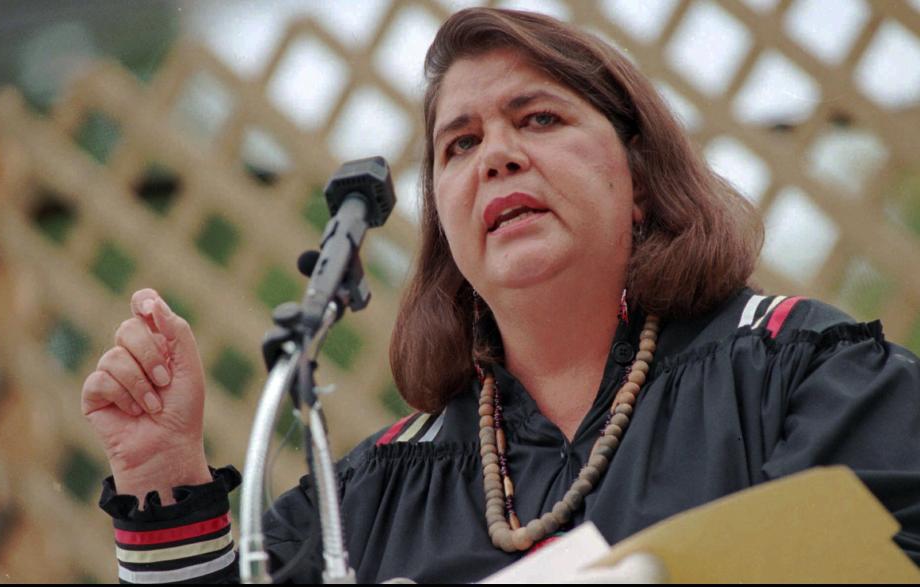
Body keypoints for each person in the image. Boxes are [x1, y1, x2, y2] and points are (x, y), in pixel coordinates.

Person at [81, 7, 920, 583]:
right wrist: (160, 474)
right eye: (461, 143)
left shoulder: (795, 375)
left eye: (540, 119)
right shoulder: (373, 499)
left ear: (637, 176)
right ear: (444, 221)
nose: (497, 156)